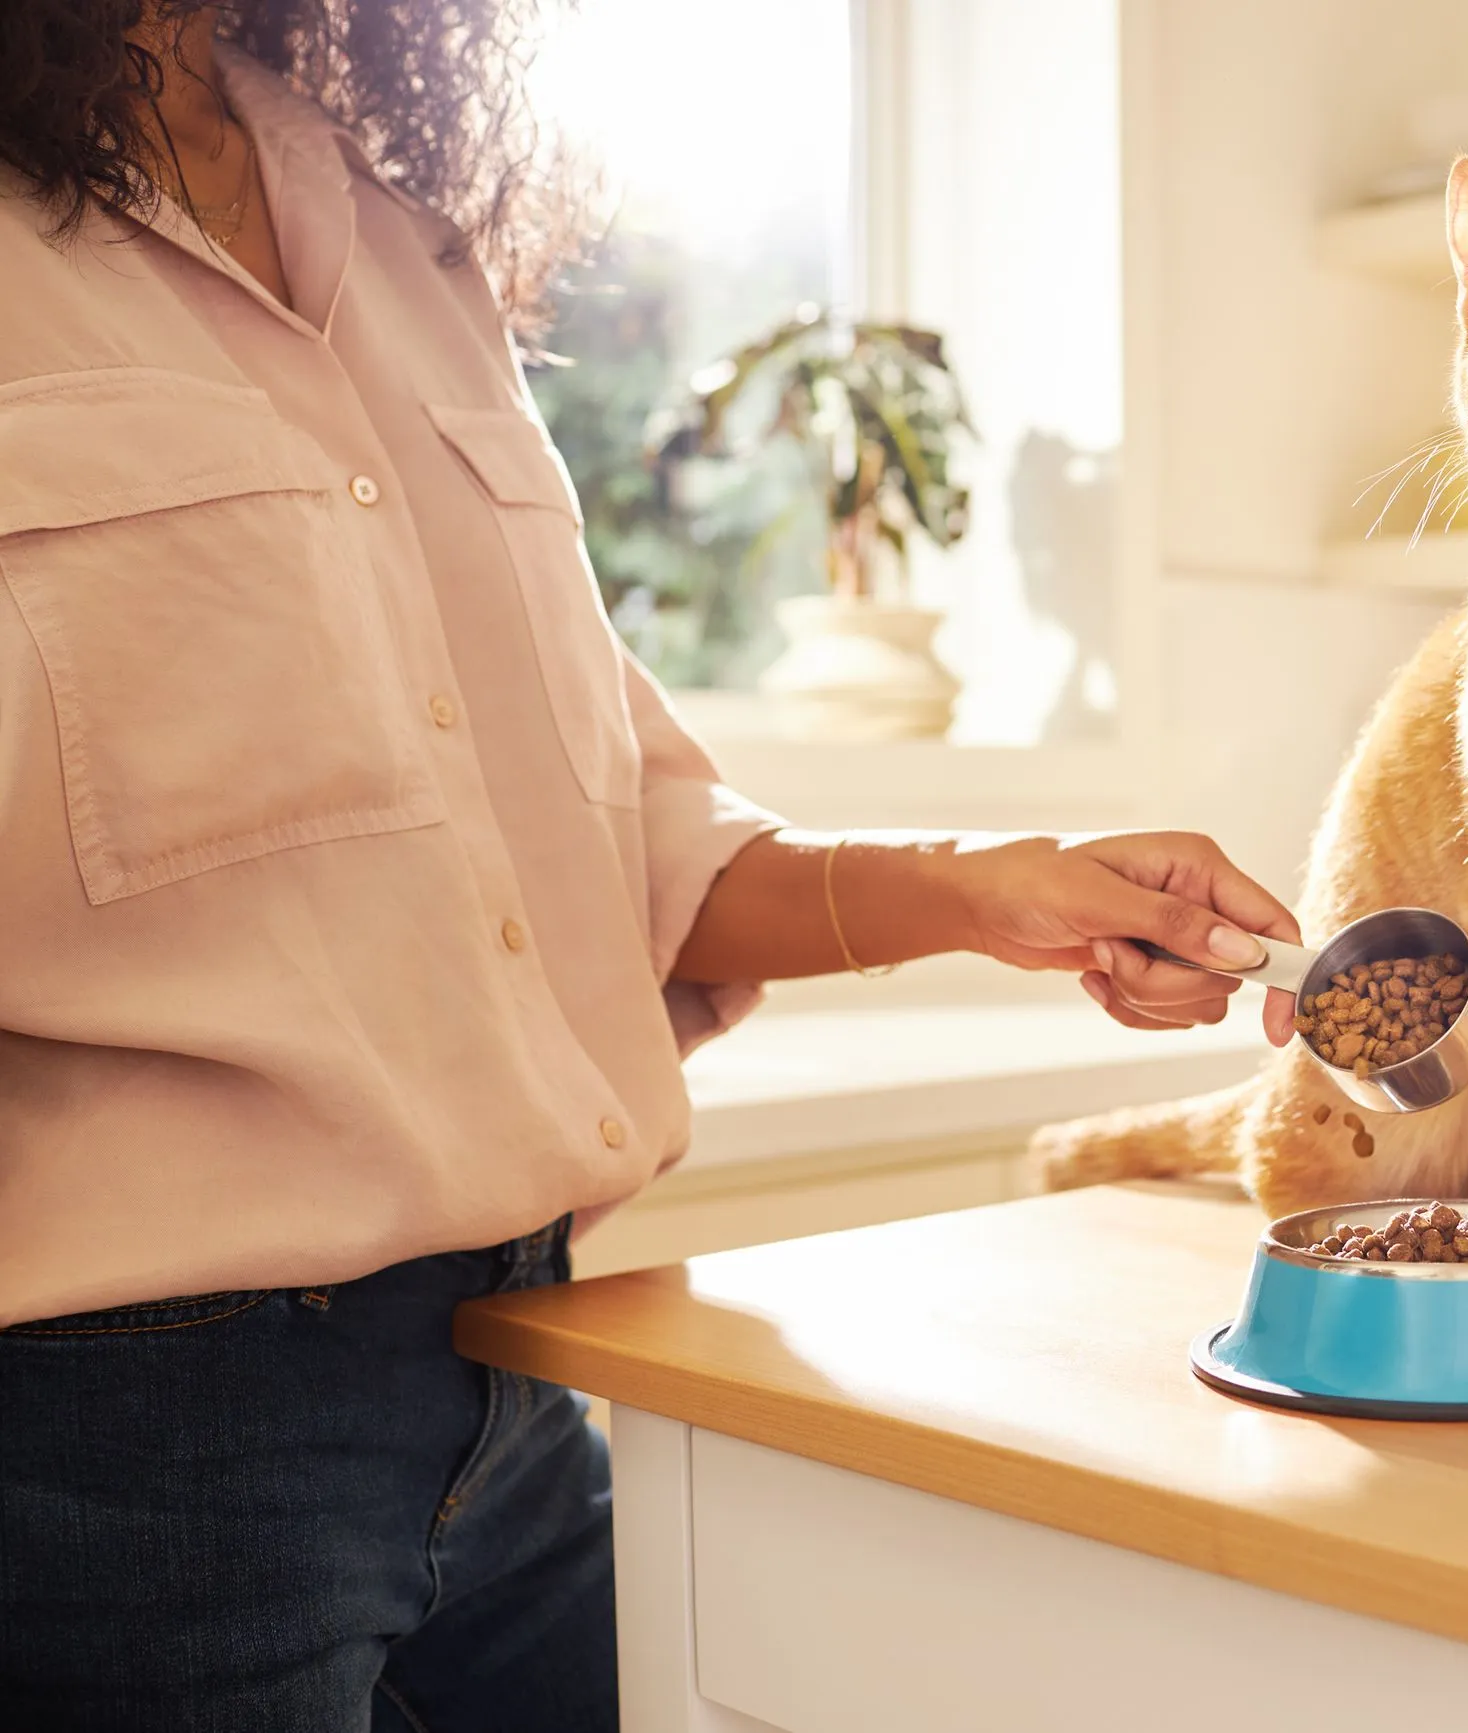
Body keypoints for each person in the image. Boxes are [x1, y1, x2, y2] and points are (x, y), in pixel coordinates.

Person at [0, 3, 1297, 1727]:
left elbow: (608, 847)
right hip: (120, 1464)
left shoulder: (400, 237)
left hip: (520, 1386)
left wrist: (988, 885)